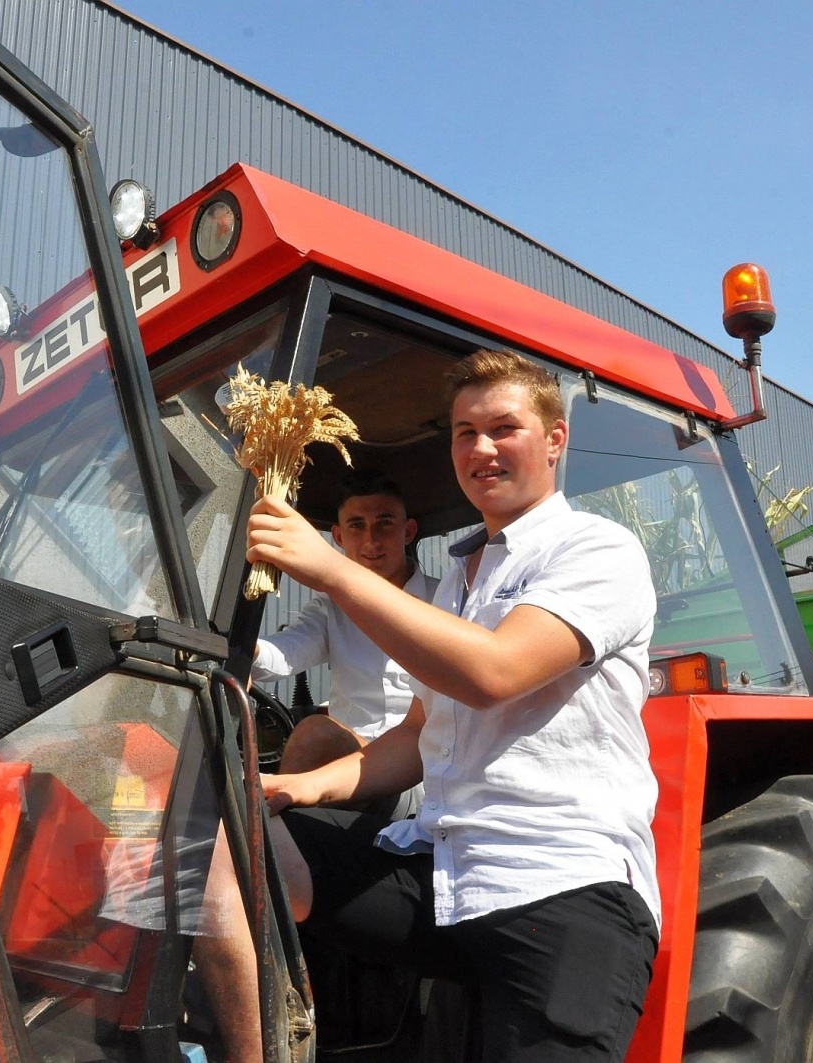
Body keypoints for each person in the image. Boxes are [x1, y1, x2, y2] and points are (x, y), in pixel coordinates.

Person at [246, 349, 661, 1063]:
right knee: (241, 842)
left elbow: (494, 673)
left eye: (504, 427)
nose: (482, 447)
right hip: (449, 871)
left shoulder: (599, 550)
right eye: (465, 432)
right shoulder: (457, 584)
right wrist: (292, 787)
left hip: (559, 882)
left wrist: (332, 571)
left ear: (556, 439)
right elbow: (417, 733)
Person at [252, 470, 435, 775]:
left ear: (408, 531)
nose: (371, 540)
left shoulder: (450, 599)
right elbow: (288, 651)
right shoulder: (330, 609)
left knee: (313, 733)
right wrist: (245, 651)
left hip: (427, 767)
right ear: (338, 537)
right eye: (357, 526)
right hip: (353, 762)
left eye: (385, 523)